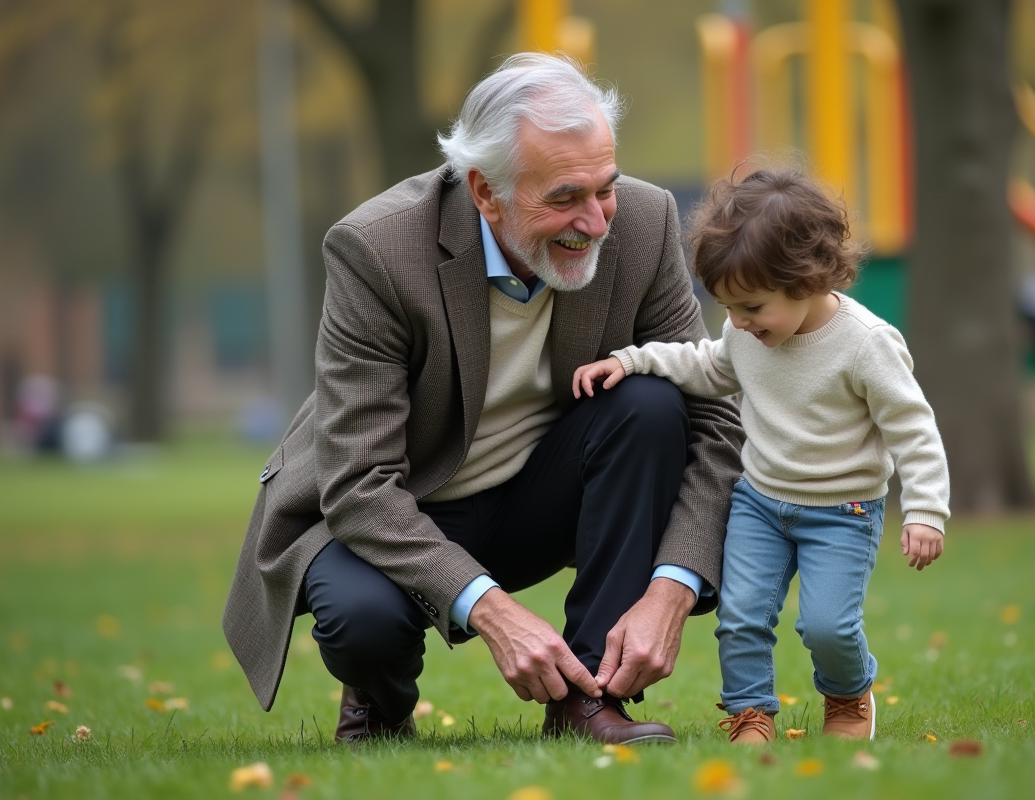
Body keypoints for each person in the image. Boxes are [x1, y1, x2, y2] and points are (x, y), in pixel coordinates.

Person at [222, 54, 743, 745]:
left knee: (651, 403)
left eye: (605, 189)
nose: (595, 222)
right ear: (485, 192)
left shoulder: (645, 223)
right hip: (397, 503)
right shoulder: (375, 249)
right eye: (564, 197)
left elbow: (714, 418)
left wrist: (672, 587)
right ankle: (377, 705)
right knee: (362, 623)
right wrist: (491, 610)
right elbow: (358, 484)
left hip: (539, 495)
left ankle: (591, 701)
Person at [574, 166, 950, 743]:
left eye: (751, 306)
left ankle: (848, 695)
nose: (739, 323)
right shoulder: (745, 335)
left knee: (827, 626)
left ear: (807, 279)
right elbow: (705, 365)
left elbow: (913, 428)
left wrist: (925, 509)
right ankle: (750, 711)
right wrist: (632, 360)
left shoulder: (866, 344)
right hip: (760, 504)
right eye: (728, 308)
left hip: (843, 512)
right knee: (741, 617)